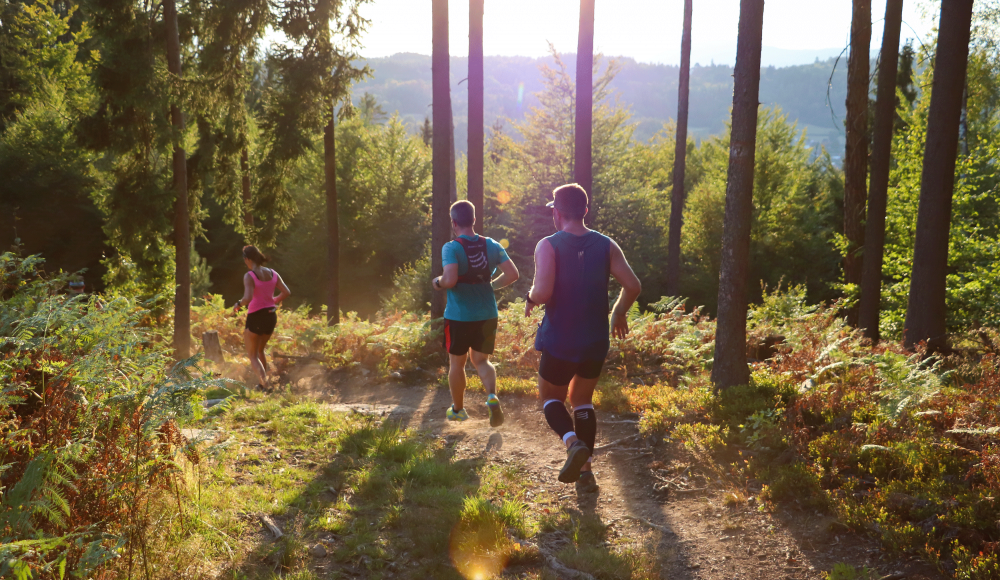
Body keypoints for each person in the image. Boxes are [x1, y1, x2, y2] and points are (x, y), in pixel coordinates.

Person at [525, 184, 642, 495]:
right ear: (585, 211)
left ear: (557, 213)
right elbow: (632, 285)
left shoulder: (548, 245)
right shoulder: (606, 245)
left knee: (550, 397)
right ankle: (586, 476)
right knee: (582, 401)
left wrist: (529, 297)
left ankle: (572, 443)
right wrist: (618, 312)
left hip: (560, 339)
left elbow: (543, 291)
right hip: (594, 339)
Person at [432, 200, 519, 425]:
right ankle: (491, 396)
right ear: (474, 220)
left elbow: (450, 280)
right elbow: (512, 274)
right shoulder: (492, 245)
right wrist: (492, 286)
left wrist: (438, 283)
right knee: (481, 360)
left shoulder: (451, 247)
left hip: (459, 316)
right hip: (487, 313)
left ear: (454, 223)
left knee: (457, 364)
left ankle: (459, 409)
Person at [233, 245, 290, 388]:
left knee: (252, 355)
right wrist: (273, 301)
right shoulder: (272, 273)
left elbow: (248, 298)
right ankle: (263, 384)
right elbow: (286, 292)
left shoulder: (250, 275)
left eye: (244, 260)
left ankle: (266, 385)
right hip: (271, 316)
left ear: (247, 259)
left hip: (256, 316)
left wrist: (238, 304)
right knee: (260, 351)